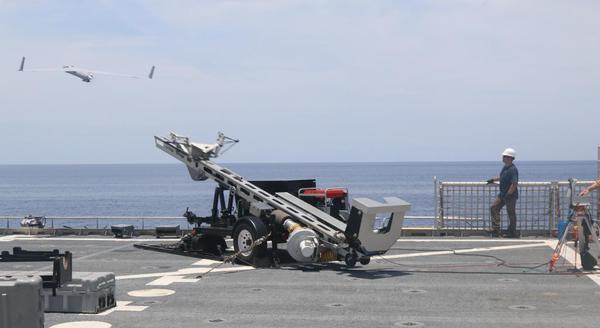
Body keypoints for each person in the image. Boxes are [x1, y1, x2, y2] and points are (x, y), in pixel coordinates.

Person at [487, 148, 519, 238]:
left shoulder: (513, 169)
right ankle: (495, 228)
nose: (503, 158)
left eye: (504, 156)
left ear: (510, 158)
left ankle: (512, 232)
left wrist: (509, 194)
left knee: (511, 213)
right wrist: (493, 180)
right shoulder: (505, 167)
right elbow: (502, 177)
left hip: (510, 196)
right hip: (502, 194)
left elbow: (514, 183)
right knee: (494, 207)